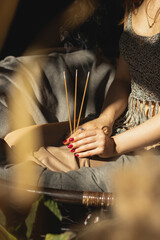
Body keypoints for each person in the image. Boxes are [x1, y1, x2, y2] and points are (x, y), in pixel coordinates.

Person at [0, 0, 160, 194]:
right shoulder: (134, 4)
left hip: (150, 143)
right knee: (14, 140)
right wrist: (104, 121)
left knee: (26, 164)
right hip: (125, 120)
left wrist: (115, 145)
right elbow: (122, 80)